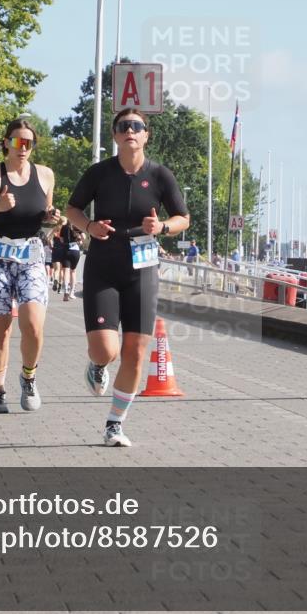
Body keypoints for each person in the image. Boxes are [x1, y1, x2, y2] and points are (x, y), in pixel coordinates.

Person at [65, 108, 190, 447]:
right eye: (124, 126)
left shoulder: (160, 175)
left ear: (146, 135)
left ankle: (114, 424)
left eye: (137, 126)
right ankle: (97, 364)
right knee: (107, 349)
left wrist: (162, 227)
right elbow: (71, 209)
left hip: (143, 266)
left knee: (135, 351)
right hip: (104, 265)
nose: (130, 131)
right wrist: (89, 226)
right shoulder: (99, 173)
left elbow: (183, 218)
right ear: (116, 135)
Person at [0, 117, 60, 415]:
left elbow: (43, 213)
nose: (22, 148)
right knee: (2, 330)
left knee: (32, 323)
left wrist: (51, 219)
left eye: (28, 143)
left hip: (30, 254)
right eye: (17, 141)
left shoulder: (45, 175)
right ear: (6, 143)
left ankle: (28, 377)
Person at [60, 220, 83, 301]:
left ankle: (66, 289)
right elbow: (83, 238)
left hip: (66, 249)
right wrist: (80, 241)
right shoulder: (77, 226)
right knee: (73, 271)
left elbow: (61, 240)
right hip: (75, 250)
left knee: (66, 271)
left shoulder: (64, 227)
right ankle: (72, 293)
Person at [50, 222, 65, 293]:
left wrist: (51, 245)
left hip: (55, 249)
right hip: (63, 250)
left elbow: (48, 237)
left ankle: (55, 279)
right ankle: (59, 288)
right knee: (61, 270)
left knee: (56, 269)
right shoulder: (65, 230)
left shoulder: (54, 229)